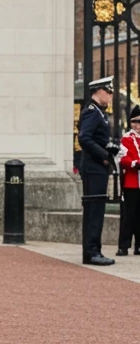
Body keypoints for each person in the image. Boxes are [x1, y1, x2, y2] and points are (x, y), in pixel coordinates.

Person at [78, 77, 116, 266]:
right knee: (94, 210)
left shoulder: (99, 113)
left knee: (97, 209)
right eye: (108, 91)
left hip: (98, 167)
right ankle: (91, 252)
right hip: (93, 166)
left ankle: (94, 250)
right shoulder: (92, 112)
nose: (111, 95)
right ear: (98, 91)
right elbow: (84, 138)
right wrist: (103, 155)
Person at [117, 104, 140, 256]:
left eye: (139, 122)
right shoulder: (126, 138)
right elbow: (123, 158)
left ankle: (139, 246)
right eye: (134, 122)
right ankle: (124, 246)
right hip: (132, 181)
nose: (137, 125)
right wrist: (135, 163)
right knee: (128, 215)